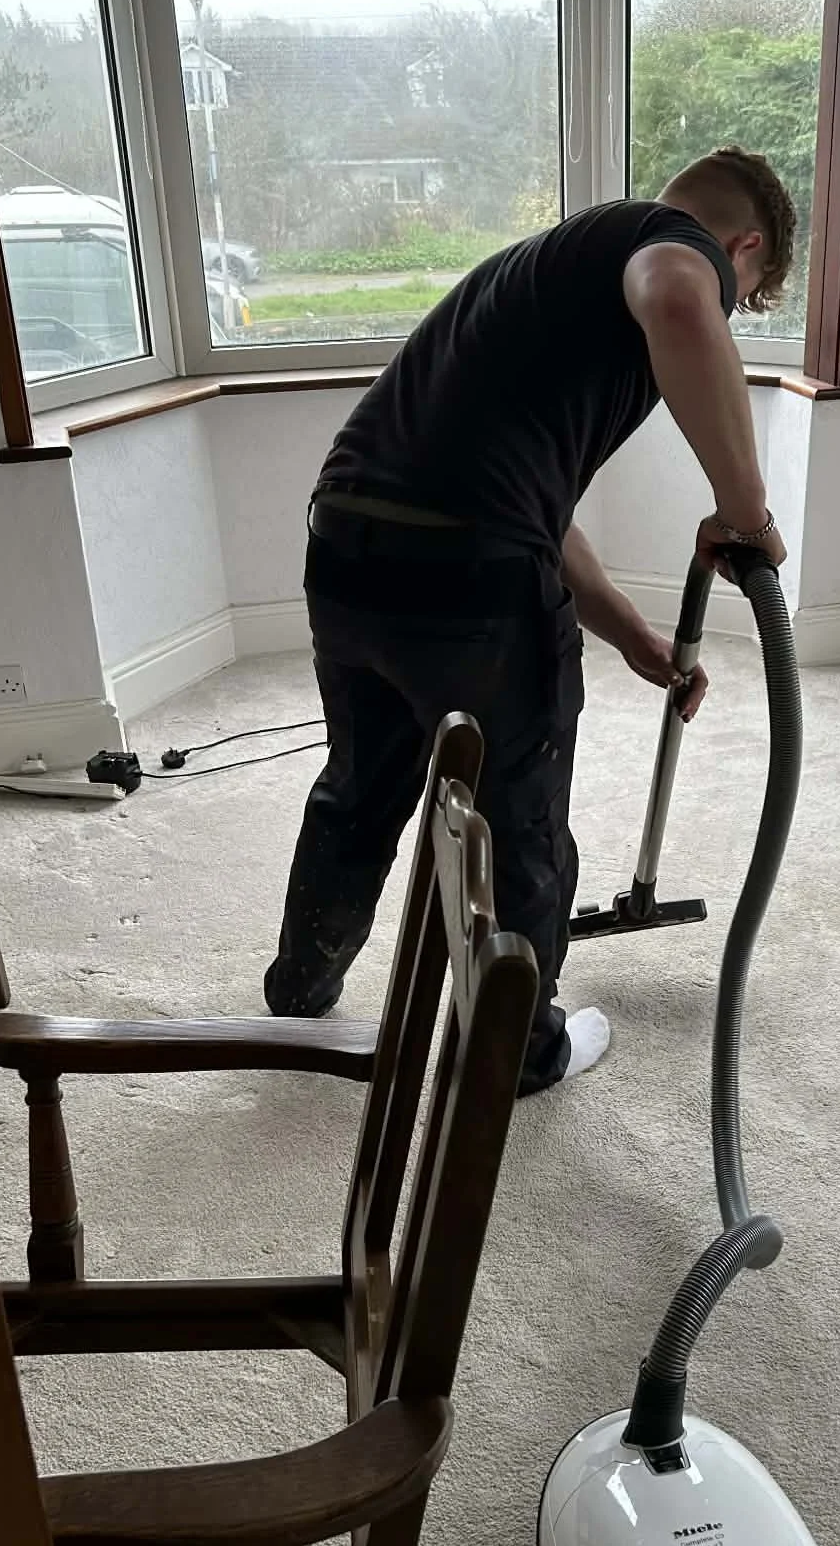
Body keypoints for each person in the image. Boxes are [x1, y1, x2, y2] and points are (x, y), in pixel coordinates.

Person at [265, 145, 792, 1094]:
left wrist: (630, 630)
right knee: (517, 822)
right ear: (742, 244)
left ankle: (301, 985)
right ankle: (522, 1051)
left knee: (361, 782)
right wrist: (745, 511)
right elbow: (680, 296)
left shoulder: (548, 267)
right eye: (743, 293)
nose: (725, 308)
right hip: (469, 578)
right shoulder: (677, 249)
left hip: (347, 540)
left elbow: (524, 509)